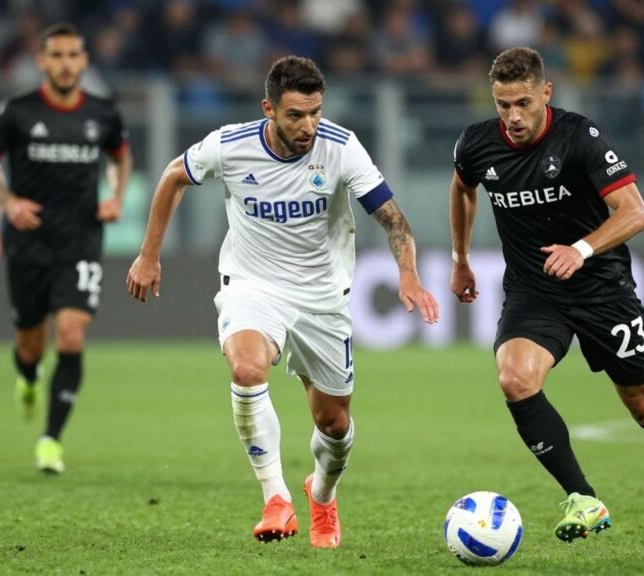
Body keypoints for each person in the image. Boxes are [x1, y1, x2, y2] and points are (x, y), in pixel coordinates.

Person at [127, 55, 439, 548]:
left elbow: (392, 218)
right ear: (268, 109)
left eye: (315, 112)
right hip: (253, 284)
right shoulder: (230, 146)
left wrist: (409, 274)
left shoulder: (341, 148)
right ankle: (275, 498)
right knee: (248, 370)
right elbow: (171, 177)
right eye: (296, 115)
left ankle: (323, 493)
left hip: (321, 296)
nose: (309, 125)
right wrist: (149, 255)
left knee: (333, 424)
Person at [448, 47, 644, 546]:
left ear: (546, 93)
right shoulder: (478, 144)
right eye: (502, 104)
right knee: (514, 378)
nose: (512, 116)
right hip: (535, 289)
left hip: (601, 288)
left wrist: (582, 248)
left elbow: (635, 212)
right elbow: (463, 187)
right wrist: (460, 258)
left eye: (523, 103)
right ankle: (583, 498)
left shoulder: (580, 137)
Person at [0, 22, 133, 475]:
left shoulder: (103, 113)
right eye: (56, 56)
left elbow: (121, 156)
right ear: (42, 61)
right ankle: (26, 378)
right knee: (29, 342)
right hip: (27, 240)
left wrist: (116, 197)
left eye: (73, 55)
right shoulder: (18, 111)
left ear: (84, 61)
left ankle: (50, 440)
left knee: (72, 334)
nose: (65, 64)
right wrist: (9, 202)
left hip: (80, 238)